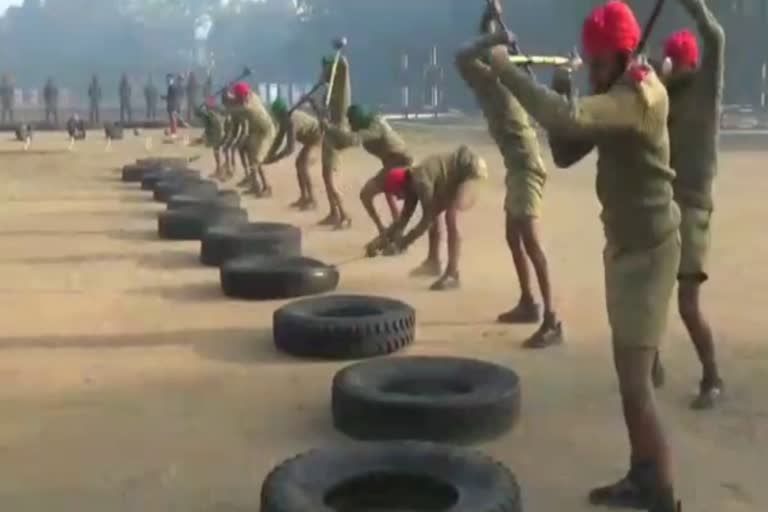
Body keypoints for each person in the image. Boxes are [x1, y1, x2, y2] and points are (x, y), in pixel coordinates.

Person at [473, 2, 682, 511]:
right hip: (627, 247)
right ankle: (641, 474)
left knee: (636, 387)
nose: (591, 73)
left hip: (649, 251)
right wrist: (566, 91)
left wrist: (503, 69)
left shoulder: (638, 96)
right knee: (629, 377)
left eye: (595, 64)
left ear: (621, 55)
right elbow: (568, 150)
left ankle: (663, 494)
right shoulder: (618, 90)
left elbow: (566, 119)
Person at [456, 0, 562, 348]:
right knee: (512, 236)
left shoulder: (504, 80)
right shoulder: (490, 78)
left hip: (527, 168)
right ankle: (529, 303)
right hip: (517, 167)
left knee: (530, 241)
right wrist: (491, 23)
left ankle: (552, 320)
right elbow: (467, 51)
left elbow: (467, 52)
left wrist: (494, 35)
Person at [653, 0, 725, 410]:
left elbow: (716, 37)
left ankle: (712, 376)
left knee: (686, 301)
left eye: (674, 62)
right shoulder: (663, 98)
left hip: (694, 206)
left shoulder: (704, 89)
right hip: (665, 203)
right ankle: (653, 363)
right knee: (655, 290)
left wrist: (694, 7)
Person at [366, 146, 488, 291]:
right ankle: (433, 262)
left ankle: (452, 274)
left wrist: (402, 243)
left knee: (451, 216)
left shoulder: (421, 182)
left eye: (397, 194)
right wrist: (381, 240)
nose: (398, 198)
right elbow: (403, 220)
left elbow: (427, 220)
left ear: (402, 186)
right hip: (451, 178)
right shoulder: (411, 183)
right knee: (433, 211)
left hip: (470, 171)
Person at [322, 104, 413, 237]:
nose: (350, 124)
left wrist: (330, 129)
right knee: (387, 192)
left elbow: (352, 139)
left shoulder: (373, 129)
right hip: (394, 164)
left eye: (351, 121)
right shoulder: (372, 123)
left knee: (366, 195)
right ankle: (395, 230)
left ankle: (388, 231)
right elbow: (347, 140)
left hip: (400, 164)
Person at [266, 98, 323, 209]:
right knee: (299, 164)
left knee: (303, 165)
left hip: (317, 137)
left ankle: (312, 199)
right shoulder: (284, 120)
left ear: (279, 113)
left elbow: (290, 149)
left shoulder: (291, 121)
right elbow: (278, 139)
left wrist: (274, 159)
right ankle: (304, 197)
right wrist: (269, 155)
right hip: (309, 140)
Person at [318, 54, 353, 229]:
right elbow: (322, 118)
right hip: (329, 135)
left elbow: (343, 66)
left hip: (338, 134)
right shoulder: (329, 92)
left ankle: (344, 214)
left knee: (330, 179)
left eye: (325, 69)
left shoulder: (340, 92)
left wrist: (338, 55)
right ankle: (334, 212)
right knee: (325, 177)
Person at [230, 81, 276, 196]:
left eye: (239, 97)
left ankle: (265, 187)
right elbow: (238, 101)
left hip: (266, 132)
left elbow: (235, 108)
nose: (239, 99)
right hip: (256, 130)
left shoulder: (248, 107)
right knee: (251, 157)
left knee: (255, 162)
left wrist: (227, 100)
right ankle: (256, 186)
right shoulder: (253, 96)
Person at [195, 95, 229, 180]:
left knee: (217, 151)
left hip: (217, 135)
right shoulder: (215, 112)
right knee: (219, 151)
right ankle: (221, 169)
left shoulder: (210, 114)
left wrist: (198, 108)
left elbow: (198, 113)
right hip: (220, 134)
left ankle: (221, 170)